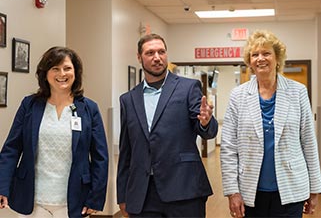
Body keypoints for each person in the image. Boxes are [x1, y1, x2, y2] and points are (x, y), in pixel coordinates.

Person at [220, 30, 321, 218]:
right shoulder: (238, 96)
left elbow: (308, 142)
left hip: (291, 190)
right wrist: (232, 191)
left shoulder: (297, 92)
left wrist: (315, 188)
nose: (260, 59)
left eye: (266, 53)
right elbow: (228, 147)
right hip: (251, 191)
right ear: (249, 61)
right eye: (255, 54)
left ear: (277, 58)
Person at [117, 33, 218, 217]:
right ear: (139, 57)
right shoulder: (128, 99)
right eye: (150, 53)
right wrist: (122, 194)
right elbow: (127, 151)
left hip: (184, 189)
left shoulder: (188, 88)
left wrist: (206, 121)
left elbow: (207, 131)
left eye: (161, 52)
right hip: (143, 194)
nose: (157, 57)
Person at [0, 46, 109, 218]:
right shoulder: (29, 105)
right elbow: (11, 148)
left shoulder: (89, 109)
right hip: (33, 200)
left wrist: (95, 197)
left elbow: (100, 157)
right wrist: (2, 186)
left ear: (76, 72)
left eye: (67, 68)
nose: (62, 74)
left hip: (74, 200)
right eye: (55, 69)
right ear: (45, 73)